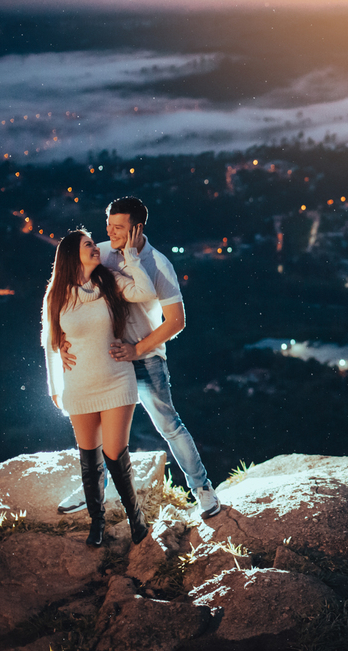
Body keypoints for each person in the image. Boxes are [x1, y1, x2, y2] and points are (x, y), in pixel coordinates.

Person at [56, 196, 221, 520]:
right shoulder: (99, 252)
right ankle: (95, 486)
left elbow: (176, 321)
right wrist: (62, 338)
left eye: (119, 227)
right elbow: (67, 291)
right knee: (99, 429)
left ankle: (202, 489)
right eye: (109, 225)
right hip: (107, 357)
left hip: (144, 357)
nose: (111, 232)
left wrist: (138, 349)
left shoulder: (159, 264)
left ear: (137, 228)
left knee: (168, 425)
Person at [43, 226, 154, 548]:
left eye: (93, 243)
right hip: (79, 386)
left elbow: (145, 292)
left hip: (117, 379)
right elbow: (50, 344)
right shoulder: (57, 294)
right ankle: (97, 523)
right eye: (88, 245)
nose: (95, 249)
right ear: (71, 255)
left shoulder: (110, 282)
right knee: (88, 457)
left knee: (114, 453)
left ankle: (136, 518)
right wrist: (55, 388)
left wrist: (131, 257)